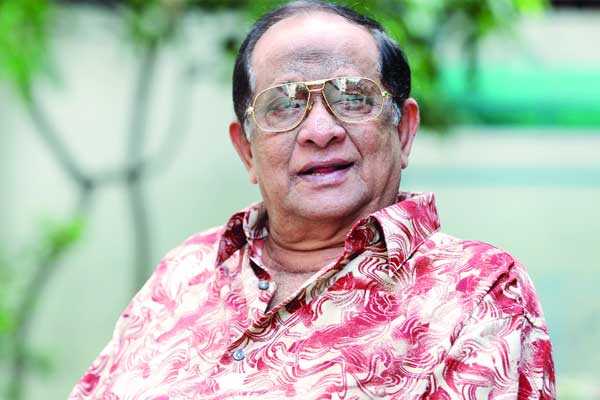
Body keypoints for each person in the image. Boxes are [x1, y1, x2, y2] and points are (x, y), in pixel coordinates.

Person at [69, 1, 555, 398]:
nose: (320, 131)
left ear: (404, 131)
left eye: (353, 98)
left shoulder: (476, 289)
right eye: (284, 105)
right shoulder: (185, 270)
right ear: (247, 151)